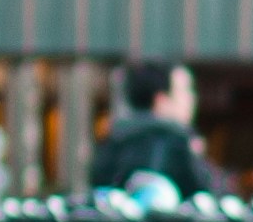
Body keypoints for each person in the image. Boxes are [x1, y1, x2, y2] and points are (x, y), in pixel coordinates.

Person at [87, 60, 221, 195]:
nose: (192, 98)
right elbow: (209, 192)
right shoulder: (176, 143)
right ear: (161, 100)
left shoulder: (115, 139)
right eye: (185, 91)